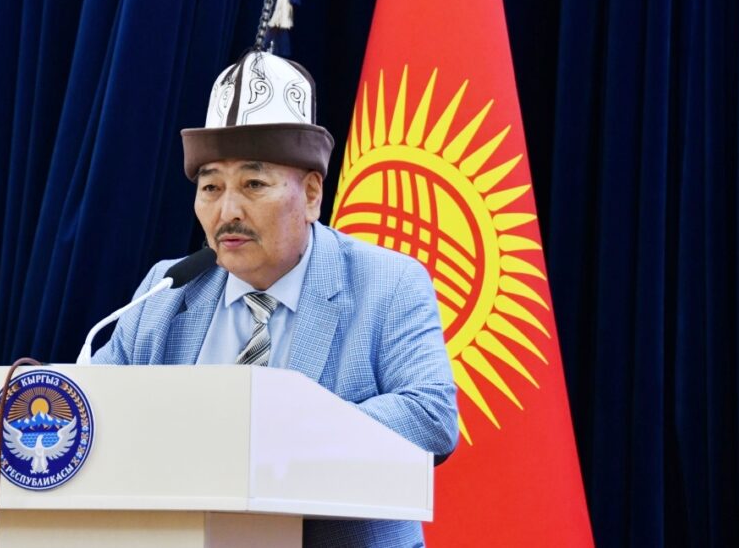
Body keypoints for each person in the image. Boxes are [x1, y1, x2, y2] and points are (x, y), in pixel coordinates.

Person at [84, 49, 458, 548]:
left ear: (311, 194)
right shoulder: (167, 289)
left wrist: (274, 435)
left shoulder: (387, 282)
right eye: (210, 187)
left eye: (253, 184)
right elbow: (93, 413)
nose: (227, 212)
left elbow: (431, 417)